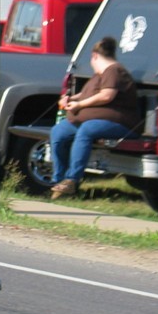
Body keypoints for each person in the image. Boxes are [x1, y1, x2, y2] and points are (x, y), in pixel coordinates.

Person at [49, 37, 140, 199]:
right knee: (58, 132)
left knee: (87, 130)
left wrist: (80, 105)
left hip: (119, 122)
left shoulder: (114, 71)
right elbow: (85, 94)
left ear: (94, 56)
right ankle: (59, 180)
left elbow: (106, 96)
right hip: (86, 119)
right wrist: (70, 99)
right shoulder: (99, 75)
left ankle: (72, 179)